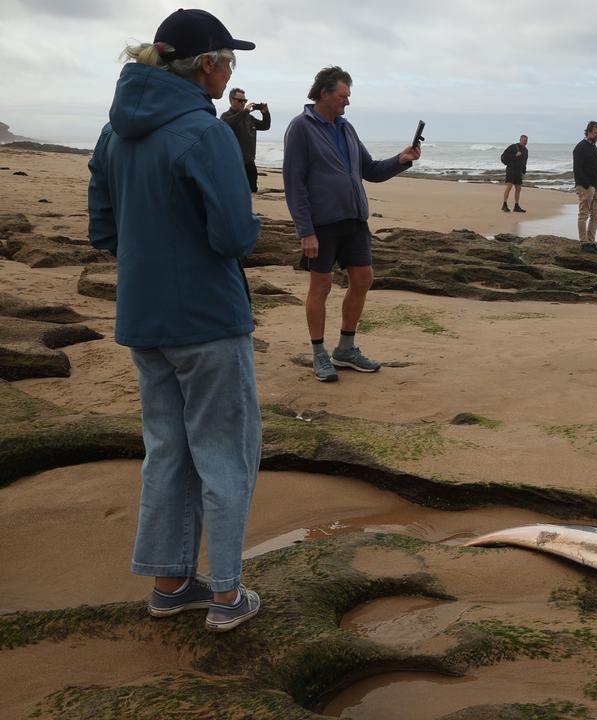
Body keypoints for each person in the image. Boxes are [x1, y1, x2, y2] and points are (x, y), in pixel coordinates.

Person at [87, 8, 263, 632]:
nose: (230, 73)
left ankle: (168, 584)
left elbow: (102, 227)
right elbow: (233, 235)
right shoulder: (202, 130)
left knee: (167, 450)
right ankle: (226, 596)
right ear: (205, 66)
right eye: (228, 62)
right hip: (208, 318)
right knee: (225, 453)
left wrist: (150, 255)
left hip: (144, 313)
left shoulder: (115, 132)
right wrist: (252, 229)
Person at [282, 66, 421, 382]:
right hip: (322, 223)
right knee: (321, 286)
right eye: (343, 96)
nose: (347, 102)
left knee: (363, 278)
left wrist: (402, 159)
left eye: (348, 96)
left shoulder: (347, 128)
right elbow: (294, 182)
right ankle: (319, 354)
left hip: (355, 220)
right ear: (324, 93)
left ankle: (345, 349)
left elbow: (370, 170)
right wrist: (305, 230)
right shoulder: (301, 128)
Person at [220, 87, 270, 192]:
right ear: (231, 100)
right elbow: (230, 123)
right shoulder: (226, 116)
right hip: (233, 164)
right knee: (234, 192)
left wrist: (265, 113)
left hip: (249, 162)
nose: (243, 103)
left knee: (252, 191)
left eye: (244, 101)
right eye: (240, 101)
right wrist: (246, 112)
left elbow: (265, 126)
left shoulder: (248, 118)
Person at [572, 121, 597, 253]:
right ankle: (584, 243)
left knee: (596, 214)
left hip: (595, 186)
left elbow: (596, 166)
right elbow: (577, 169)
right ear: (589, 131)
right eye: (596, 133)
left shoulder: (593, 147)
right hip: (585, 186)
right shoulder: (580, 147)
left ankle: (591, 242)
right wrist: (586, 185)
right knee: (584, 214)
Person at [500, 134, 528, 212]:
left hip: (519, 171)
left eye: (526, 141)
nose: (525, 142)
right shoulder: (513, 147)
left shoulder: (526, 150)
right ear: (520, 140)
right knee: (509, 187)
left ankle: (516, 206)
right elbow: (504, 156)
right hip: (511, 170)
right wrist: (514, 155)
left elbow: (524, 162)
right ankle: (504, 205)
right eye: (524, 140)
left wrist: (523, 171)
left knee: (518, 188)